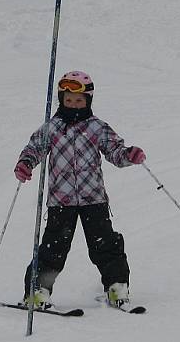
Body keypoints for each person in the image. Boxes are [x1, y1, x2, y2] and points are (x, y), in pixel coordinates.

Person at [14, 70, 146, 310]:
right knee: (53, 248)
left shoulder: (97, 128)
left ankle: (116, 286)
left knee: (105, 244)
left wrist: (129, 155)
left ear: (88, 101)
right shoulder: (52, 128)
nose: (73, 105)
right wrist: (25, 163)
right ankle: (38, 290)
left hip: (93, 199)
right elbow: (34, 148)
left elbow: (115, 152)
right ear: (61, 100)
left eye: (79, 100)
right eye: (68, 100)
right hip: (60, 201)